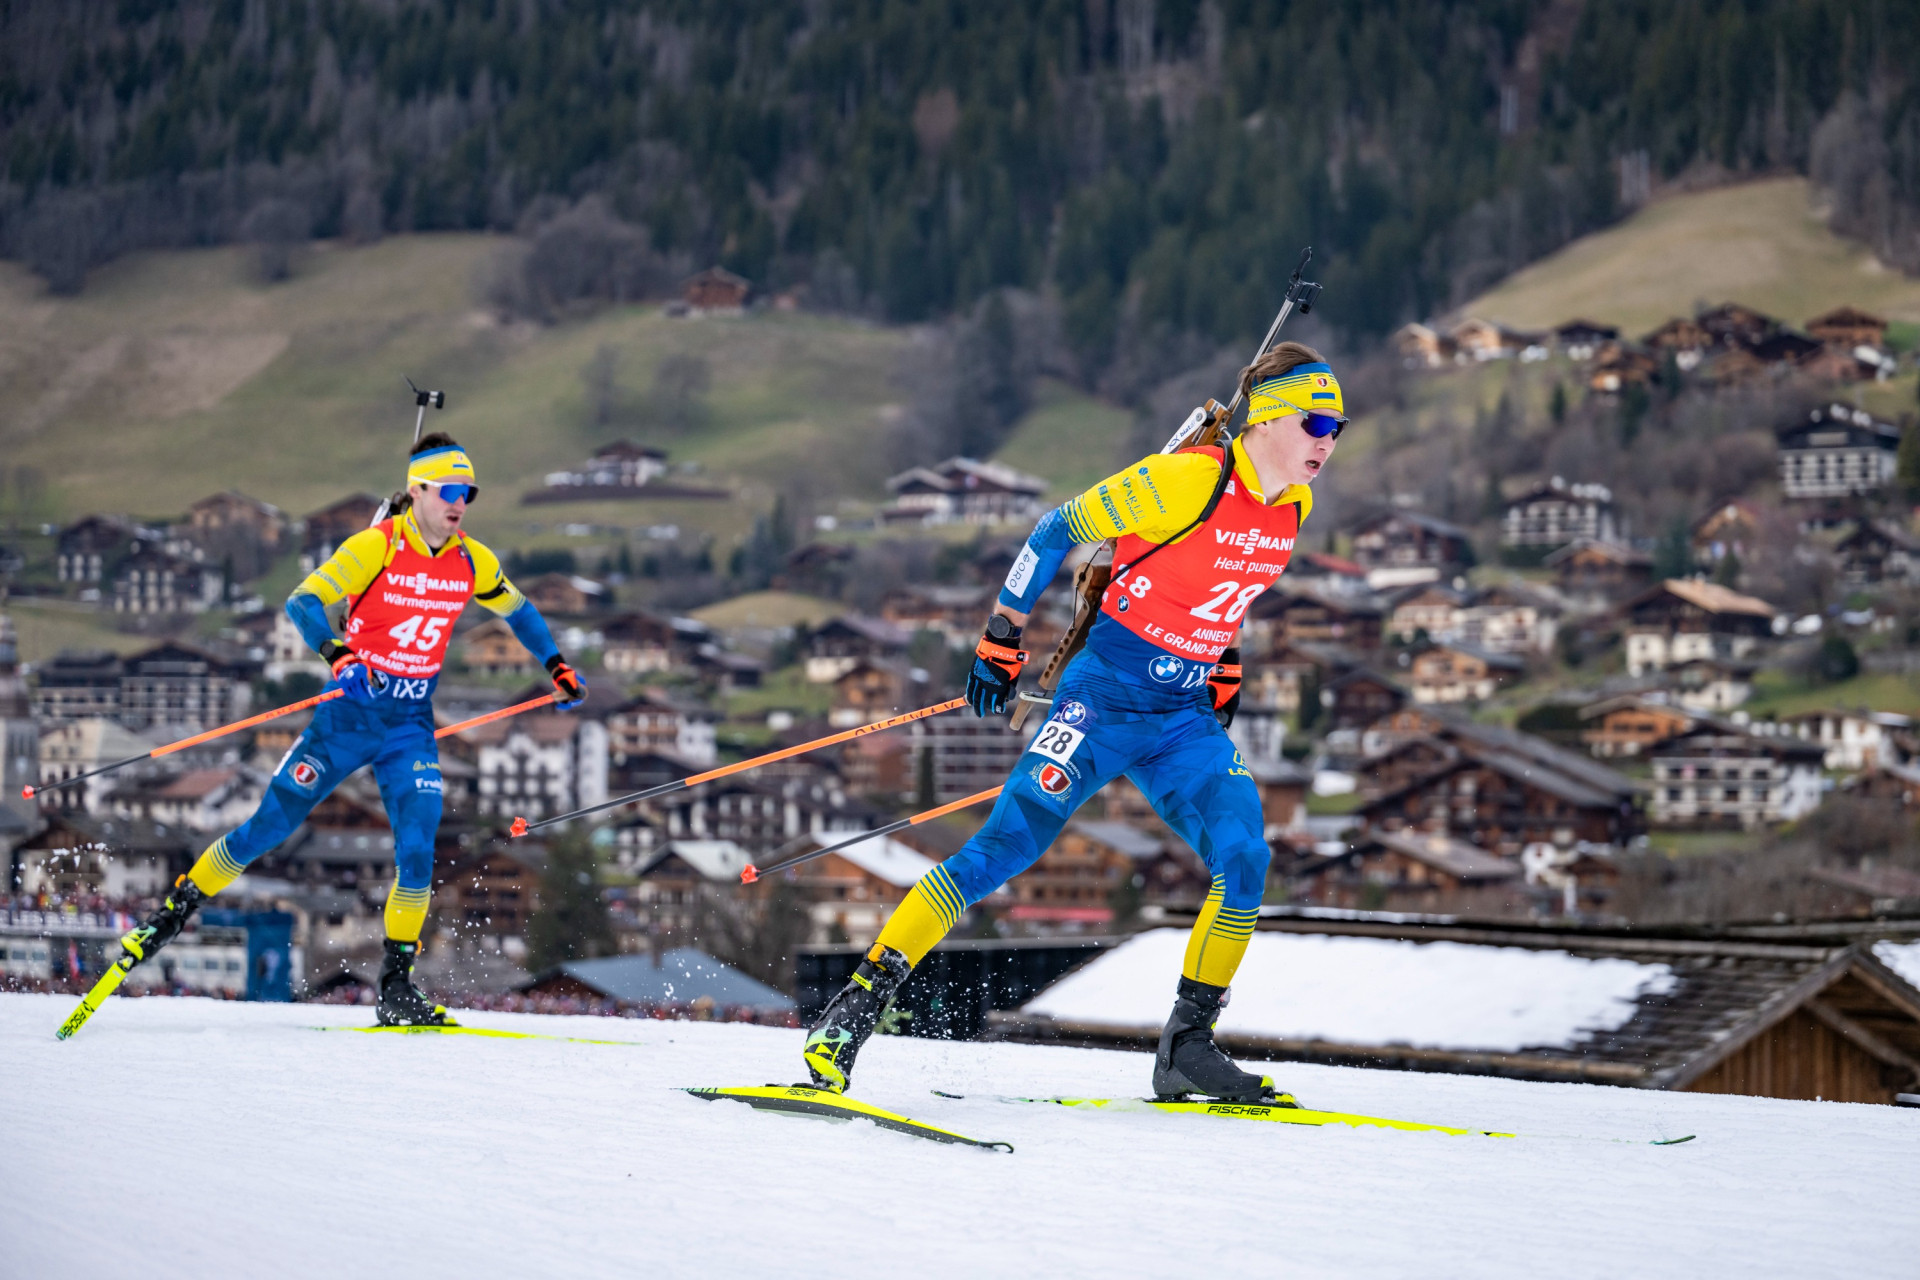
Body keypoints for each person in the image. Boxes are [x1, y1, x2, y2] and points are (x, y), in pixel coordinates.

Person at [804, 342, 1345, 1099]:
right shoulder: (1185, 481)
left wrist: (1223, 663)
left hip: (1183, 716)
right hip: (1103, 700)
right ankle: (854, 1009)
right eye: (1317, 420)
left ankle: (1187, 1045)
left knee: (1245, 856)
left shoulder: (1293, 505)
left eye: (1339, 427)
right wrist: (1001, 635)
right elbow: (1053, 531)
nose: (1328, 439)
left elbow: (1227, 589)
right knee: (1002, 848)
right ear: (1269, 417)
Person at [115, 434, 587, 1025]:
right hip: (347, 717)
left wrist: (555, 664)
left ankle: (395, 987)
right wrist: (339, 656)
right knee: (269, 827)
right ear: (417, 490)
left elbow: (519, 610)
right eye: (448, 490)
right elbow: (302, 603)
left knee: (418, 852)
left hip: (410, 724)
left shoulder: (472, 560)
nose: (459, 502)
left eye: (467, 492)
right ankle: (173, 911)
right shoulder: (376, 547)